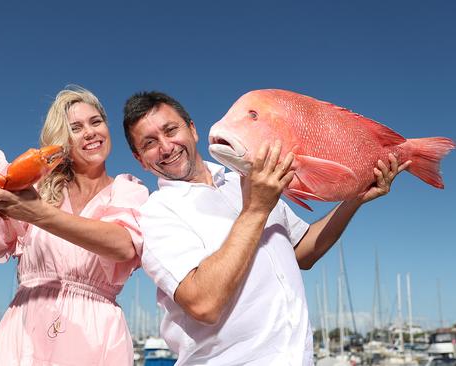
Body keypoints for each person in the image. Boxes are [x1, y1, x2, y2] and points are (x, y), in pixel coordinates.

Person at [122, 91, 411, 365]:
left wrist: (354, 199)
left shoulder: (246, 180)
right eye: (149, 143)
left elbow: (303, 251)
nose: (166, 147)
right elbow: (203, 304)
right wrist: (256, 209)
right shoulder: (156, 213)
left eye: (171, 130)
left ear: (192, 129)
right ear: (139, 159)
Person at [0, 80, 148, 365]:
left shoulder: (128, 190)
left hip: (95, 334)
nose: (90, 132)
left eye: (96, 122)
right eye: (76, 128)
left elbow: (125, 246)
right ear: (62, 138)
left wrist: (37, 214)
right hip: (26, 326)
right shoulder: (34, 187)